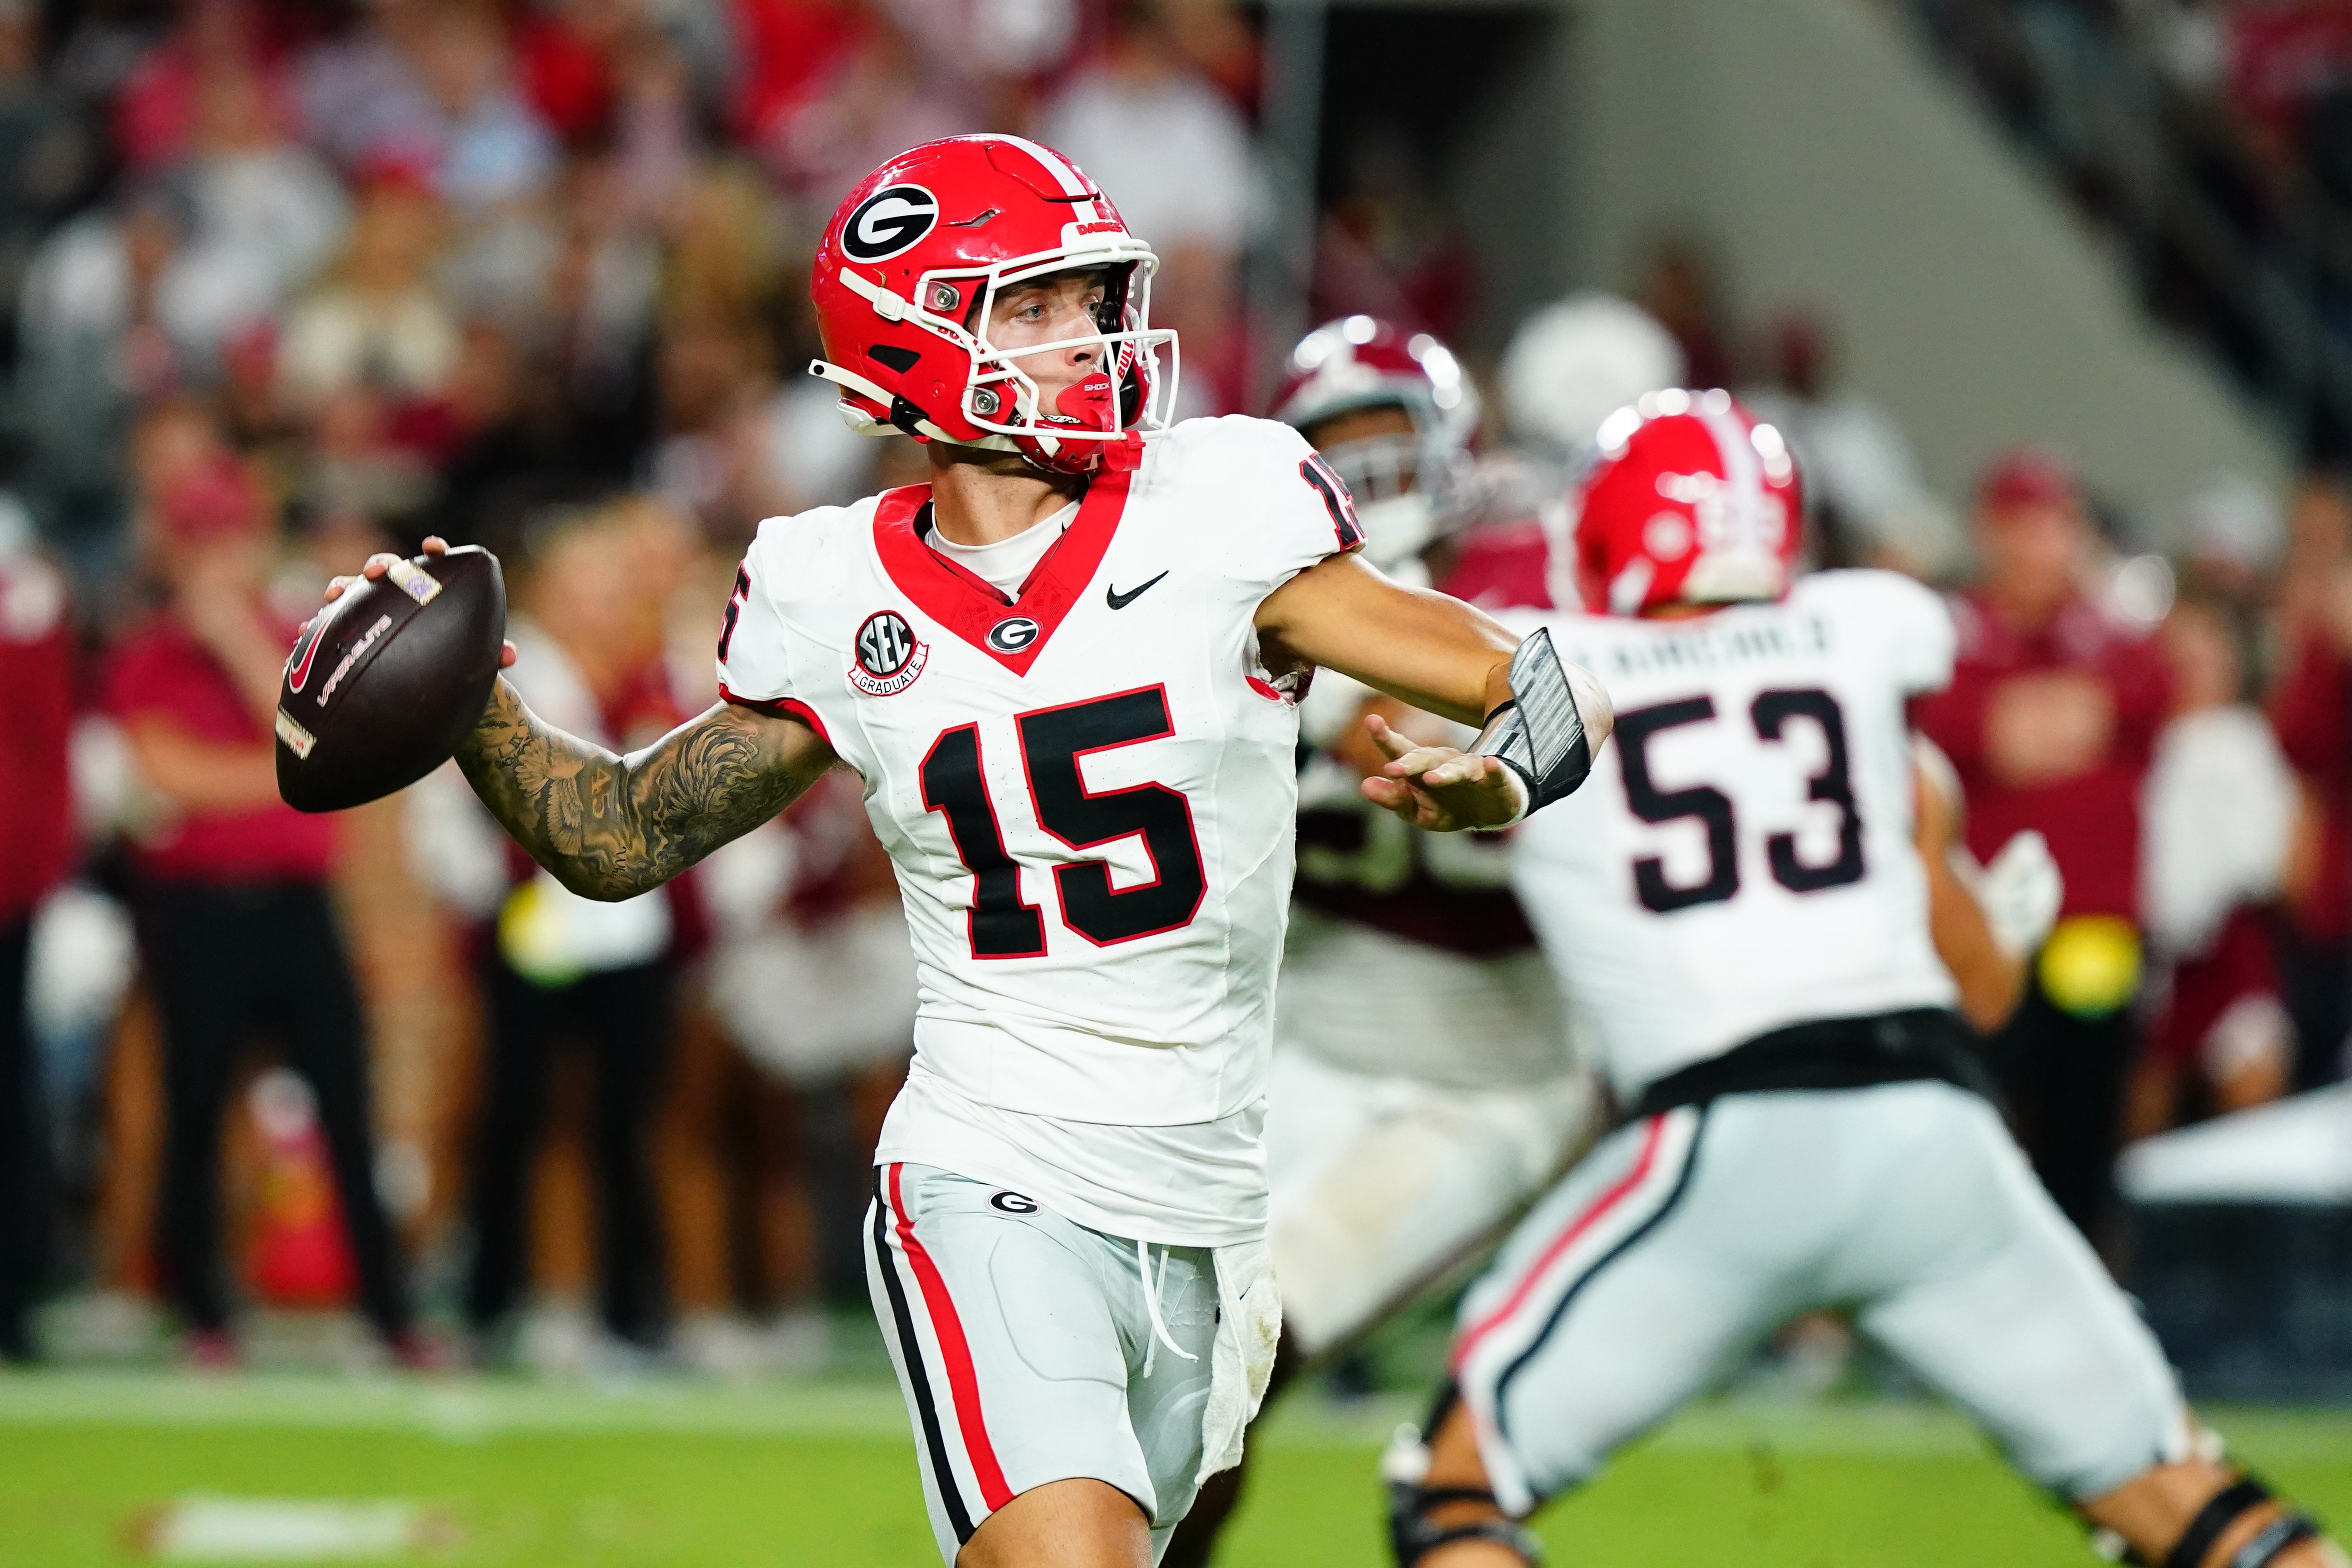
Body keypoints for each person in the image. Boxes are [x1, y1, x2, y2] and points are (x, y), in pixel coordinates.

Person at [331, 135, 1608, 1568]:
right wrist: (471, 710)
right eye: (1036, 306)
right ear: (910, 342)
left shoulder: (1228, 503)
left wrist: (1504, 776)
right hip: (987, 1166)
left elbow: (1539, 683)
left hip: (1212, 1196)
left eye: (1089, 297)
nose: (1090, 337)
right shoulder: (832, 587)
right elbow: (619, 834)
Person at [1381, 391, 2342, 1568]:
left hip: (1723, 1134)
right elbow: (1983, 995)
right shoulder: (1864, 643)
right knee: (2194, 1506)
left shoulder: (1547, 669)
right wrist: (1992, 921)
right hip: (1933, 1132)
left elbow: (1369, 707)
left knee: (1451, 1491)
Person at [1161, 317, 1602, 1568]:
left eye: (1387, 446)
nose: (1368, 483)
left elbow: (1586, 720)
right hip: (1298, 1037)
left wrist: (1447, 739)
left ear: (1456, 451)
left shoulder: (1536, 587)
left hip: (1478, 1077)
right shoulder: (1241, 599)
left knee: (1243, 1358)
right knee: (1169, 1376)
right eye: (1334, 452)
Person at [104, 446, 417, 1366]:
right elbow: (174, 776)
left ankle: (391, 1314)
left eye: (228, 537)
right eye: (198, 541)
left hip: (298, 903)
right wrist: (275, 779)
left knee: (348, 1103)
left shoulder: (298, 634)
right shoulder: (146, 655)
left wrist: (239, 641)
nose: (215, 559)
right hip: (195, 908)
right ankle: (203, 1309)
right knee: (193, 1107)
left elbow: (317, 755)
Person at [1911, 449, 2173, 1245]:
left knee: (2085, 1121)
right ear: (1988, 533)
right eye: (2020, 526)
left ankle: (2081, 1281)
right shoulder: (1948, 630)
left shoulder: (2109, 631)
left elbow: (2140, 699)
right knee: (1972, 1108)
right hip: (1980, 925)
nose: (2038, 546)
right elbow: (1961, 726)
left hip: (2091, 927)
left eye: (2053, 525)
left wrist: (2015, 726)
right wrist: (2030, 724)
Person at [0, 519, 71, 1361]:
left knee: (9, 1088)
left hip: (6, 883)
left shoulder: (26, 593)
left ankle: (14, 1287)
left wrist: (38, 870)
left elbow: (43, 741)